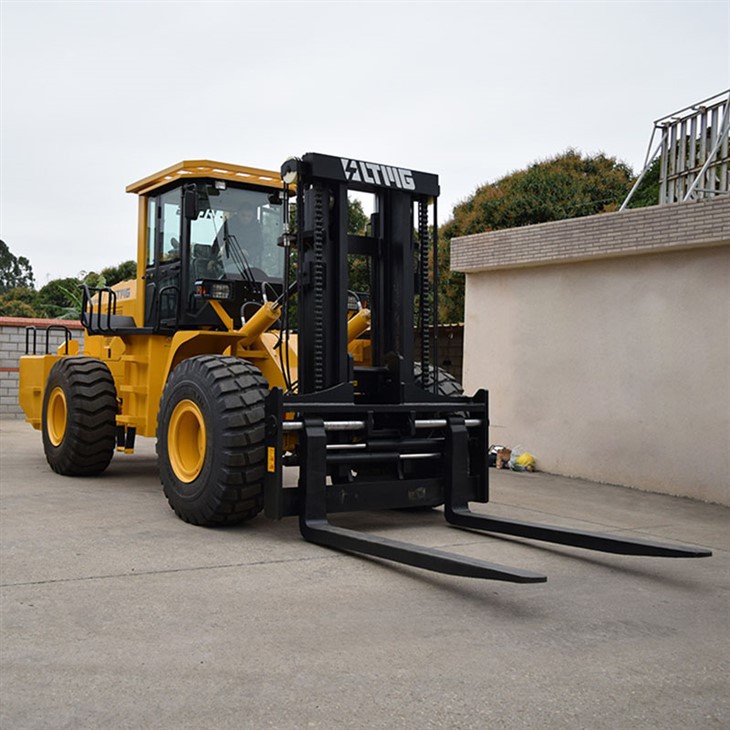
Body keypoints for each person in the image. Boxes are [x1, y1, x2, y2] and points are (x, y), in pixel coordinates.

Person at [214, 200, 263, 270]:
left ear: (253, 216)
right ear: (238, 214)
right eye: (243, 215)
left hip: (249, 266)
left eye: (249, 216)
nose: (246, 218)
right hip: (229, 262)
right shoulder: (229, 224)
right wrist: (212, 259)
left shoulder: (256, 228)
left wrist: (248, 252)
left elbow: (260, 246)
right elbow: (218, 241)